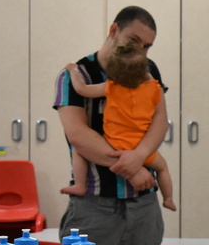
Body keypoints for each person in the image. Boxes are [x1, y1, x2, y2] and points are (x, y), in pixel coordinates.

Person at [53, 5, 168, 245]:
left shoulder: (147, 70)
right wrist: (132, 168)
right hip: (93, 206)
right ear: (114, 30)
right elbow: (78, 135)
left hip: (143, 206)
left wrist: (140, 157)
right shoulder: (76, 75)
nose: (140, 50)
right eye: (134, 40)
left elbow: (160, 121)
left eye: (147, 46)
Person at [60, 39, 176, 212]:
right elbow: (161, 117)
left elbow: (82, 89)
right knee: (163, 167)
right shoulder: (154, 89)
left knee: (79, 150)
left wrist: (73, 70)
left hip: (115, 144)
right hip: (143, 150)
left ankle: (79, 184)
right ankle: (168, 199)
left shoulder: (112, 87)